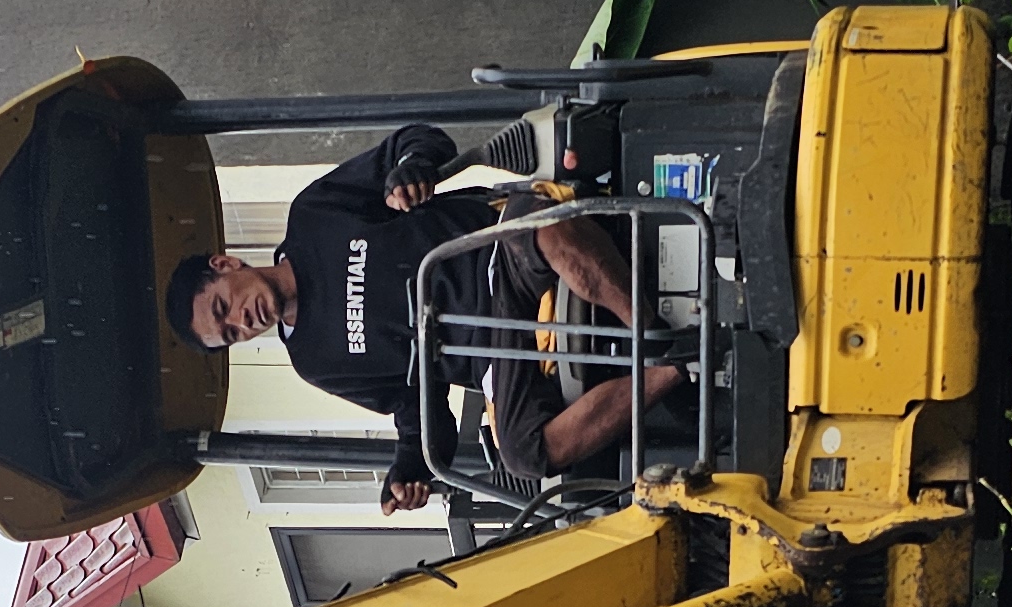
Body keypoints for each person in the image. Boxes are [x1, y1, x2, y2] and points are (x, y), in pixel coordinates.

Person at [167, 121, 684, 511]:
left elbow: (416, 141)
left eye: (223, 307)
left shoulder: (314, 215)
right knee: (524, 455)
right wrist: (408, 467)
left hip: (496, 252)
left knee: (543, 224)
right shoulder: (314, 361)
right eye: (231, 335)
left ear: (225, 264)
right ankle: (672, 372)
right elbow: (412, 401)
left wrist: (410, 171)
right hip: (491, 358)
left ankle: (658, 336)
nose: (242, 321)